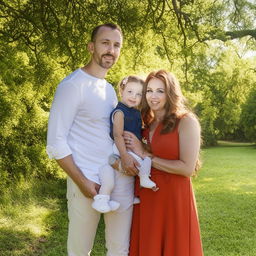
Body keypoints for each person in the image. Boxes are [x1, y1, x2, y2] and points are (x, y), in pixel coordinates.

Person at [47, 23, 138, 256]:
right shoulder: (72, 86)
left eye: (116, 45)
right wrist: (83, 182)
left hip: (117, 180)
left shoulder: (108, 89)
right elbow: (56, 143)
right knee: (79, 252)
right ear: (91, 46)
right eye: (105, 43)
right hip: (86, 182)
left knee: (119, 250)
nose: (111, 50)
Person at [125, 70, 204, 256]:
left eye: (160, 91)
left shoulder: (186, 122)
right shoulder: (144, 122)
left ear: (170, 93)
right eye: (149, 90)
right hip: (147, 198)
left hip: (174, 199)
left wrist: (146, 155)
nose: (153, 96)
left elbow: (187, 168)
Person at [92, 75, 157, 213]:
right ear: (122, 91)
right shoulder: (120, 112)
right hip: (121, 147)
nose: (134, 96)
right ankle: (103, 198)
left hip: (130, 147)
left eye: (139, 94)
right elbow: (117, 135)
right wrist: (124, 155)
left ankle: (133, 192)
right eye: (130, 92)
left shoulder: (136, 112)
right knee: (139, 163)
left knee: (143, 162)